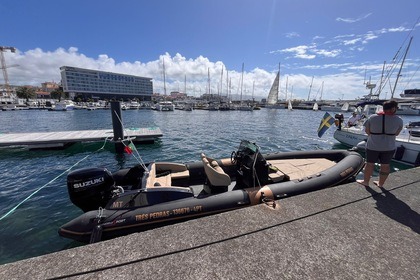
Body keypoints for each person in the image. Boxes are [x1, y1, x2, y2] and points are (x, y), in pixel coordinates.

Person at [357, 100, 403, 188]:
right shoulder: (399, 120)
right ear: (393, 109)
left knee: (369, 164)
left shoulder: (372, 117)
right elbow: (397, 133)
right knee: (385, 165)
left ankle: (366, 182)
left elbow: (367, 131)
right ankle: (381, 184)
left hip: (373, 146)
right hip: (389, 147)